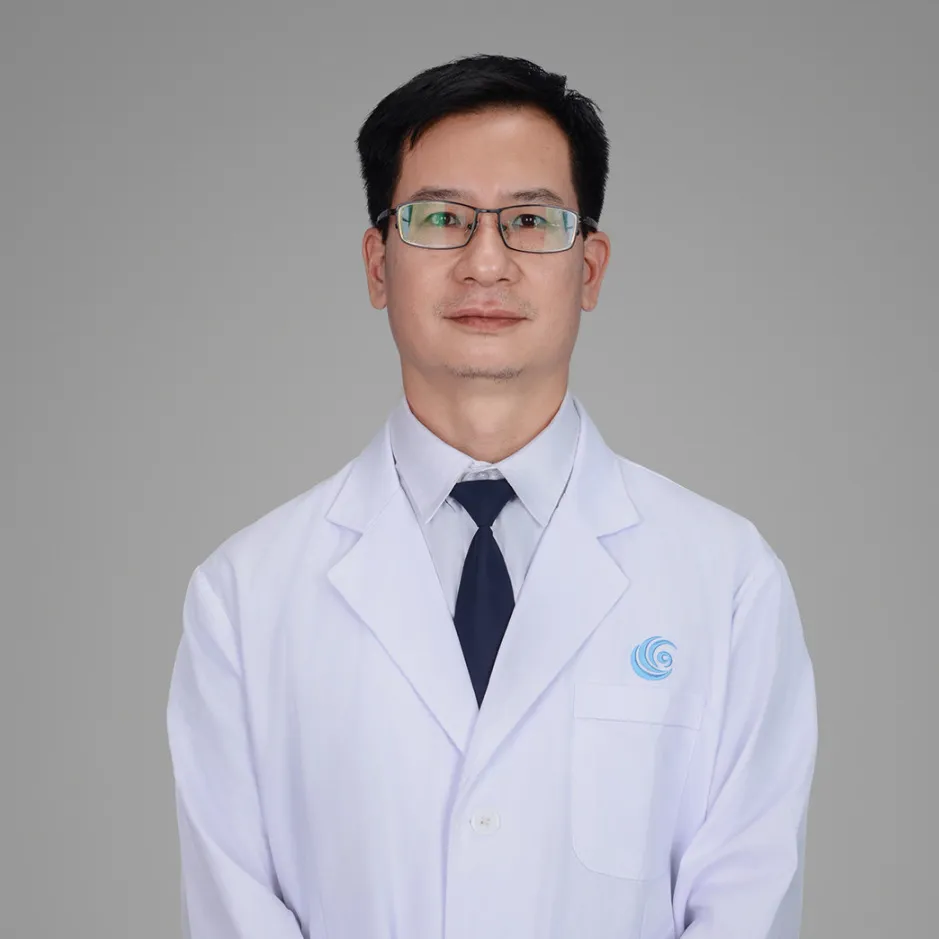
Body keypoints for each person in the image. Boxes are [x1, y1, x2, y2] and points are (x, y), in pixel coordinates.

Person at [166, 54, 818, 939]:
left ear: (589, 268)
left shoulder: (725, 578)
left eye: (529, 221)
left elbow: (746, 903)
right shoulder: (245, 595)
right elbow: (235, 914)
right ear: (377, 264)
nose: (485, 262)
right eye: (439, 218)